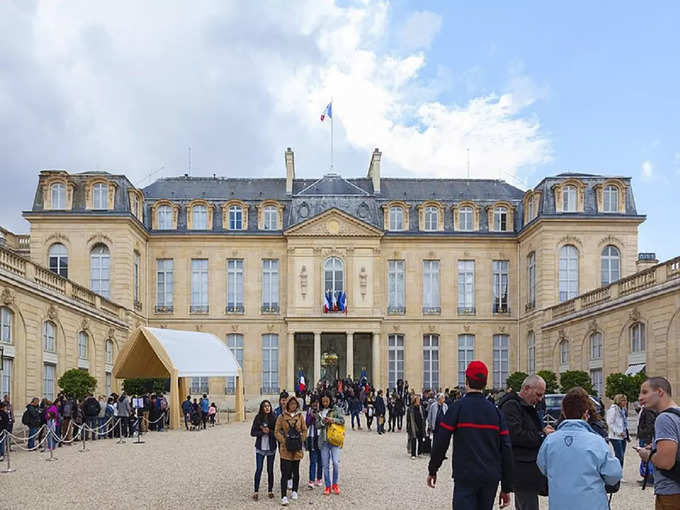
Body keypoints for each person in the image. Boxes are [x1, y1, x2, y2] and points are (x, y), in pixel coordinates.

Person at [427, 361, 513, 510]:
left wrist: (433, 469)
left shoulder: (457, 408)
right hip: (489, 477)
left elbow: (441, 441)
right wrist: (506, 486)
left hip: (465, 475)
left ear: (466, 381)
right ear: (485, 383)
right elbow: (506, 449)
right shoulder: (496, 412)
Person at [537, 387, 622, 510]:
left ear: (564, 413)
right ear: (586, 414)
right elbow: (613, 475)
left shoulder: (550, 441)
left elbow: (543, 467)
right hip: (591, 503)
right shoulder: (596, 441)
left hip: (560, 503)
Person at [498, 375, 552, 510]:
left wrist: (543, 430)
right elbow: (515, 436)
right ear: (527, 388)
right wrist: (541, 435)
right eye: (538, 395)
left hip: (528, 468)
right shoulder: (511, 406)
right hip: (522, 469)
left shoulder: (526, 405)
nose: (540, 399)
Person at [636, 377, 680, 507]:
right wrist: (656, 448)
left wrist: (646, 454)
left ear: (660, 392)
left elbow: (666, 462)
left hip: (672, 492)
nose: (640, 397)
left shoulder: (664, 418)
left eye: (645, 392)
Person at [274, 396, 306, 506]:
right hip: (285, 449)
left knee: (296, 471)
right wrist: (283, 441)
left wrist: (301, 440)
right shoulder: (281, 417)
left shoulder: (300, 416)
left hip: (296, 448)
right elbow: (277, 431)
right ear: (287, 405)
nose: (293, 406)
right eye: (291, 404)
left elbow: (304, 429)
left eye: (295, 404)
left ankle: (295, 490)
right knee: (285, 472)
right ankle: (283, 496)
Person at [316, 394, 345, 496]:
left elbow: (342, 420)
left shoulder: (336, 409)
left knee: (336, 463)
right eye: (323, 401)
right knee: (325, 465)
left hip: (334, 439)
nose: (325, 403)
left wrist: (332, 420)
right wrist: (323, 422)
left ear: (330, 400)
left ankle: (335, 484)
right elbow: (317, 425)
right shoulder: (319, 411)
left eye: (326, 401)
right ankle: (327, 486)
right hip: (324, 441)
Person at [251, 399, 277, 500]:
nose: (267, 408)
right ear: (262, 408)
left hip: (271, 448)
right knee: (259, 469)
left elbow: (276, 433)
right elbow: (252, 432)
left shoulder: (274, 418)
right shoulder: (258, 418)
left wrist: (269, 431)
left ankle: (270, 490)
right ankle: (256, 491)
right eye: (265, 406)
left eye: (269, 406)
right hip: (260, 448)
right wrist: (262, 432)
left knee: (270, 470)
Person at [606, 394, 628, 469]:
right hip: (615, 436)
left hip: (623, 436)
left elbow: (624, 423)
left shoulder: (623, 410)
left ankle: (619, 472)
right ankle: (617, 473)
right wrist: (618, 432)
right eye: (623, 400)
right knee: (619, 456)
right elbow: (609, 422)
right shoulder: (613, 410)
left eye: (625, 400)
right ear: (618, 401)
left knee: (622, 456)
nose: (625, 402)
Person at [305, 396, 323, 488]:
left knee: (320, 460)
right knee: (313, 460)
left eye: (317, 402)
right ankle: (311, 480)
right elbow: (306, 423)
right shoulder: (309, 411)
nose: (315, 404)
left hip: (320, 437)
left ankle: (319, 477)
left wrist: (318, 415)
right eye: (314, 402)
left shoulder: (322, 411)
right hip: (311, 437)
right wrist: (311, 417)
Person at [638, 404, 658, 483]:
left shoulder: (648, 410)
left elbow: (649, 426)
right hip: (645, 436)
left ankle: (649, 477)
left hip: (646, 437)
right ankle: (647, 476)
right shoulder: (648, 409)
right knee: (645, 457)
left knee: (647, 456)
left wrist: (648, 440)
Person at [407, 394, 425, 459]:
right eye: (418, 400)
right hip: (413, 426)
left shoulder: (421, 408)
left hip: (420, 426)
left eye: (419, 400)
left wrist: (424, 426)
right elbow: (408, 420)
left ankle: (420, 452)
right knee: (413, 440)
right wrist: (408, 428)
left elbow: (423, 417)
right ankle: (413, 454)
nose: (419, 402)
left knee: (420, 440)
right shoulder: (410, 409)